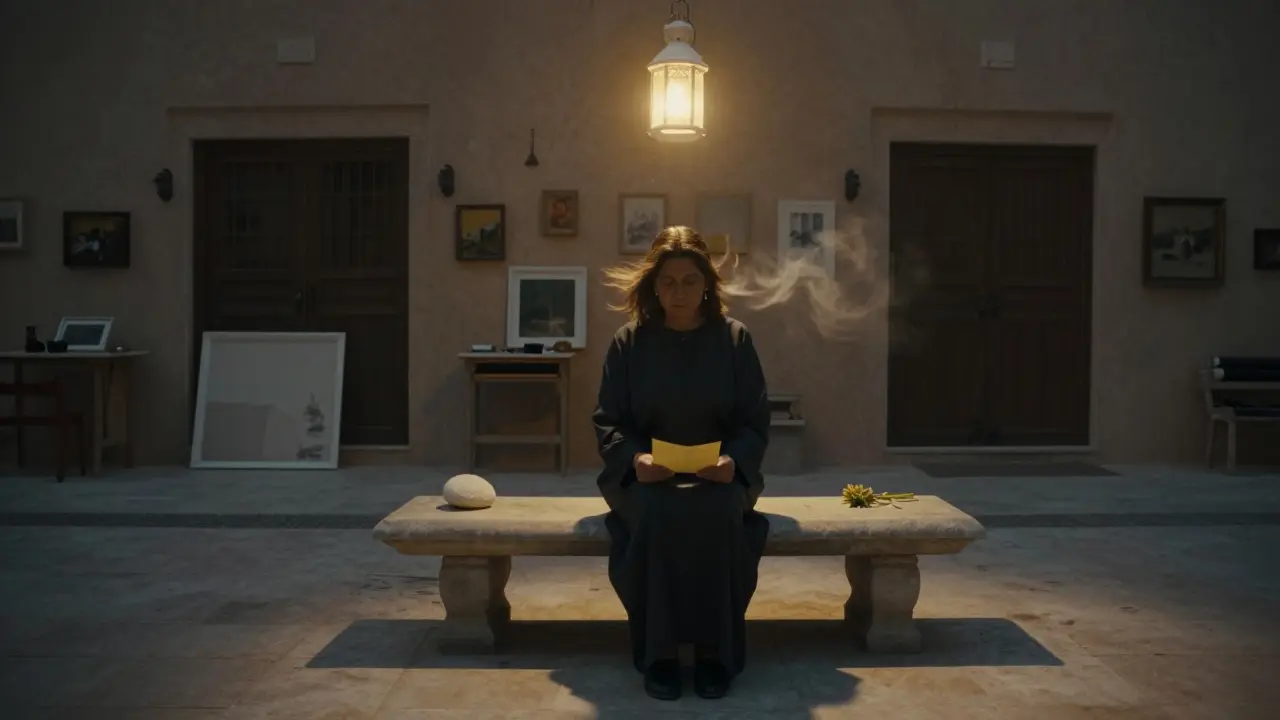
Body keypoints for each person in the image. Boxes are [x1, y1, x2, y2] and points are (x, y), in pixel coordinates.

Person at [591, 225, 771, 701]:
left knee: (717, 513)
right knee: (656, 513)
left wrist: (734, 460)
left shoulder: (735, 340)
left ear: (707, 284)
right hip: (647, 476)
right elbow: (609, 420)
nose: (679, 292)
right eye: (668, 282)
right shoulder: (629, 342)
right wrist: (636, 459)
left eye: (690, 281)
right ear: (652, 285)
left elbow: (755, 422)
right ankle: (662, 655)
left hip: (721, 473)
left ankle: (715, 654)